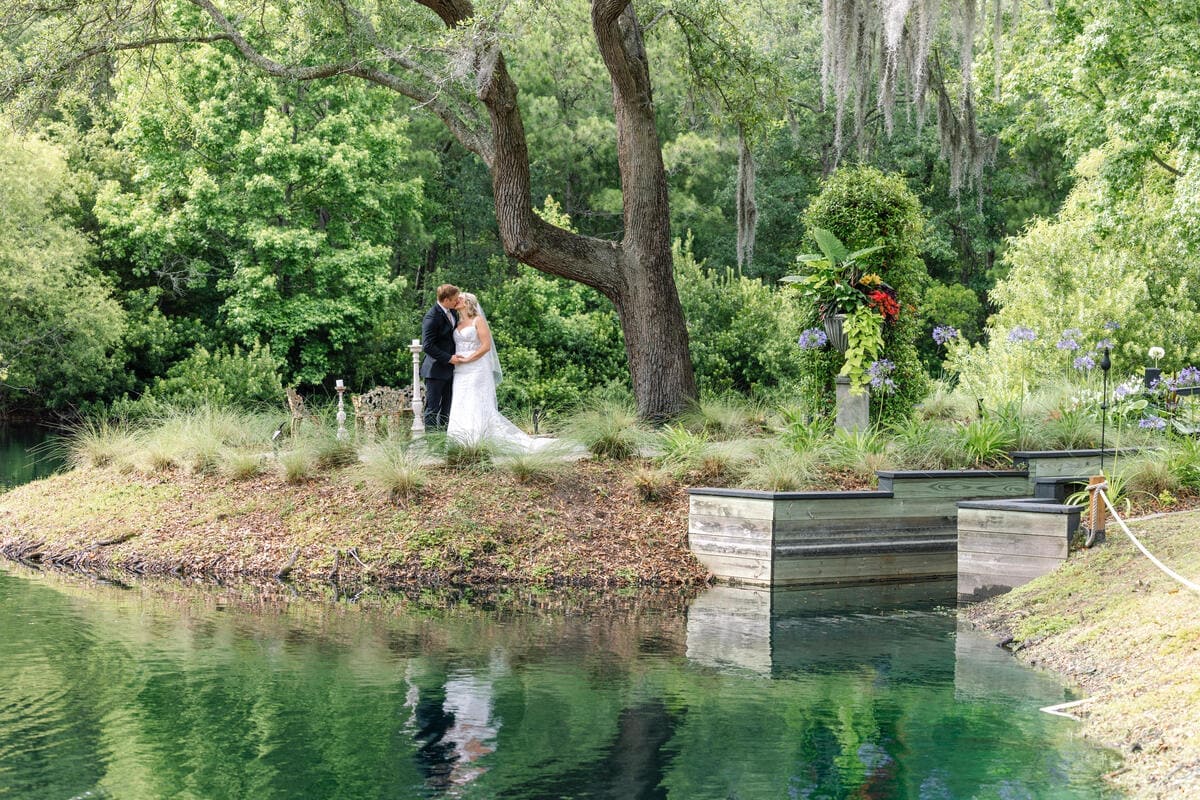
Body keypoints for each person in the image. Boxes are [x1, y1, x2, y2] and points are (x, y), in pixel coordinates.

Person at [446, 292, 554, 452]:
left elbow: (486, 346)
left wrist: (469, 359)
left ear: (468, 302)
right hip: (460, 369)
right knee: (460, 401)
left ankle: (477, 442)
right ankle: (460, 443)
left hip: (476, 368)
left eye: (460, 299)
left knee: (474, 402)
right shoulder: (457, 322)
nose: (456, 301)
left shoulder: (478, 320)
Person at [420, 284, 462, 430]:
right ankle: (432, 446)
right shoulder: (432, 317)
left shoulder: (453, 313)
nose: (457, 301)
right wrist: (449, 358)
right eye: (455, 299)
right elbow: (427, 346)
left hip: (451, 370)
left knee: (447, 408)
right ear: (446, 300)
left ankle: (444, 439)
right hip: (435, 370)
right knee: (432, 409)